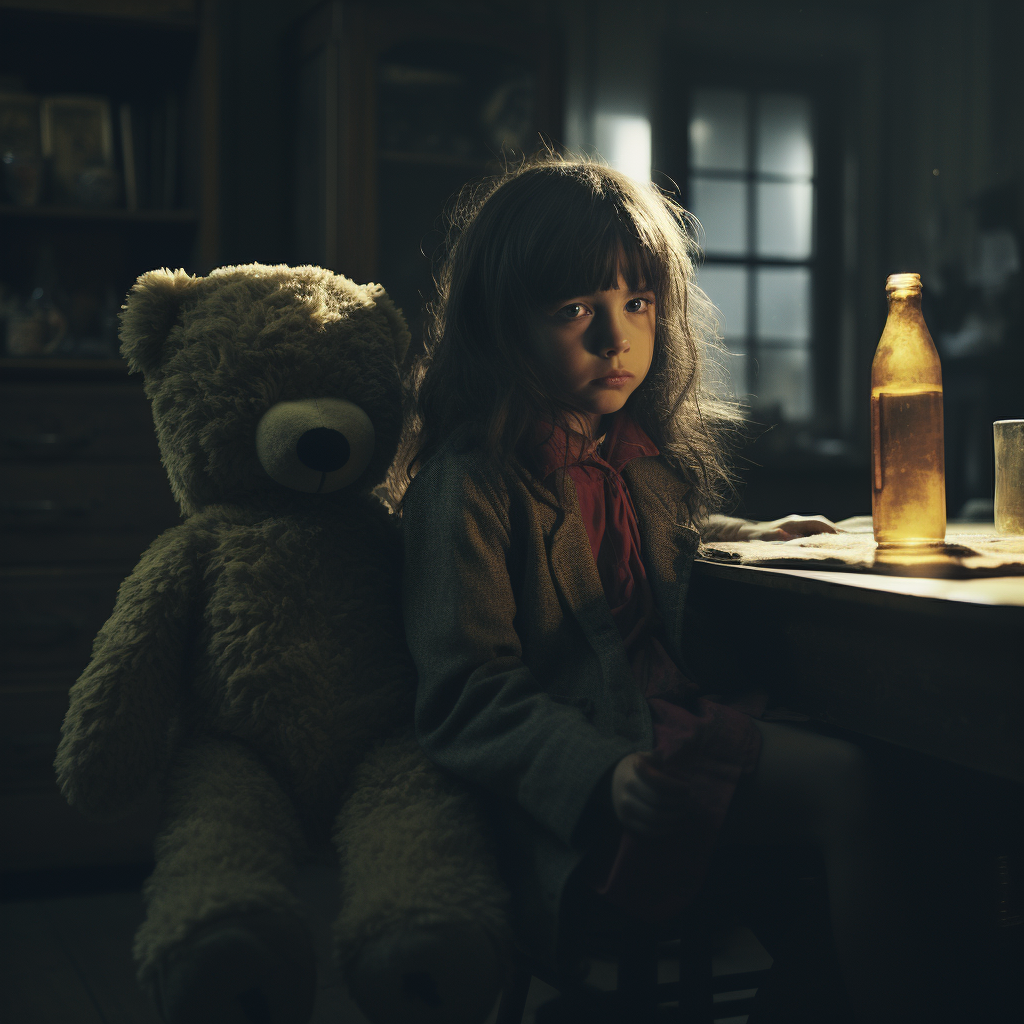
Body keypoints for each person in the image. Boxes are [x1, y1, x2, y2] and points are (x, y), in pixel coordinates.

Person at [393, 156, 916, 1023]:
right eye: (575, 310)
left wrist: (749, 540)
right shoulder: (470, 482)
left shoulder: (629, 449)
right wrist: (600, 773)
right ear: (502, 324)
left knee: (903, 761)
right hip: (595, 764)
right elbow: (464, 695)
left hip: (668, 715)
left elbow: (640, 562)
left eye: (638, 303)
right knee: (850, 783)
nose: (617, 338)